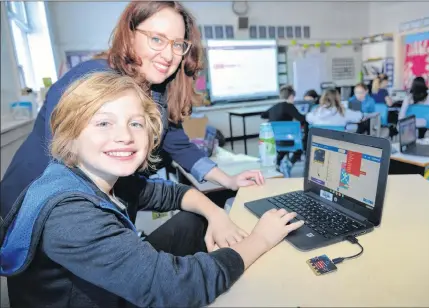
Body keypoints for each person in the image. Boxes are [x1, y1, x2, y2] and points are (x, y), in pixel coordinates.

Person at [0, 72, 305, 308]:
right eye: (104, 123)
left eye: (135, 123)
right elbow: (175, 289)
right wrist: (259, 240)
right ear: (70, 135)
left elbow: (172, 193)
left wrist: (216, 215)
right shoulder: (71, 217)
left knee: (192, 219)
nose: (124, 136)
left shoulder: (89, 176)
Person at [0, 1, 264, 219]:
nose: (169, 55)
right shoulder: (92, 80)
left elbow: (179, 145)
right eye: (157, 39)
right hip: (38, 205)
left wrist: (228, 180)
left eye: (177, 44)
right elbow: (67, 159)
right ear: (130, 34)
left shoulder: (157, 91)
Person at [261, 85, 305, 178]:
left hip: (275, 141)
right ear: (291, 96)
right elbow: (301, 118)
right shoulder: (289, 106)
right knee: (301, 146)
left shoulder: (275, 107)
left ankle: (278, 163)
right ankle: (289, 163)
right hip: (288, 140)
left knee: (283, 145)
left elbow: (263, 115)